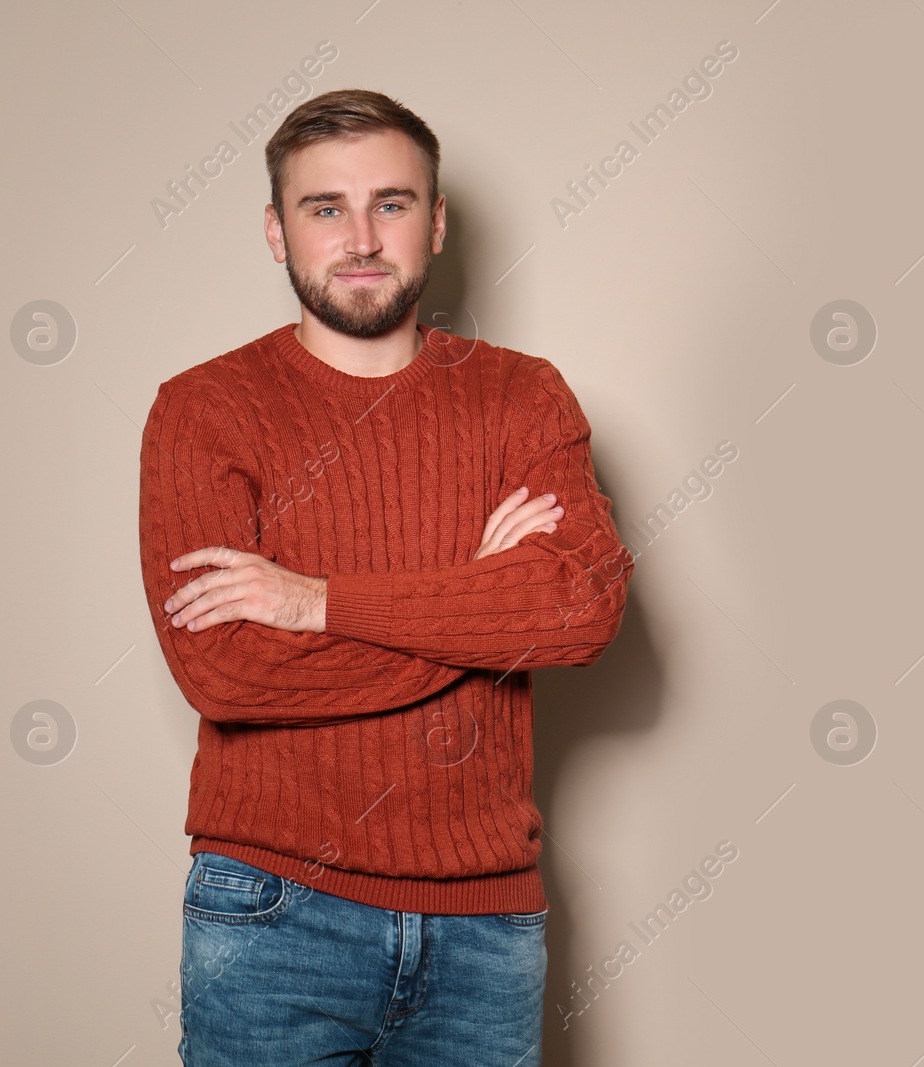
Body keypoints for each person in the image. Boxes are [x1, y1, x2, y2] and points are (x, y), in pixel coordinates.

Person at [137, 87, 634, 1066]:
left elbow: (579, 608)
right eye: (325, 208)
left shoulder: (521, 395)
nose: (361, 236)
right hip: (271, 913)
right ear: (277, 232)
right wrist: (477, 604)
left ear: (436, 223)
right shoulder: (204, 410)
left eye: (392, 204)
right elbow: (229, 672)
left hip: (485, 926)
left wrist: (317, 599)